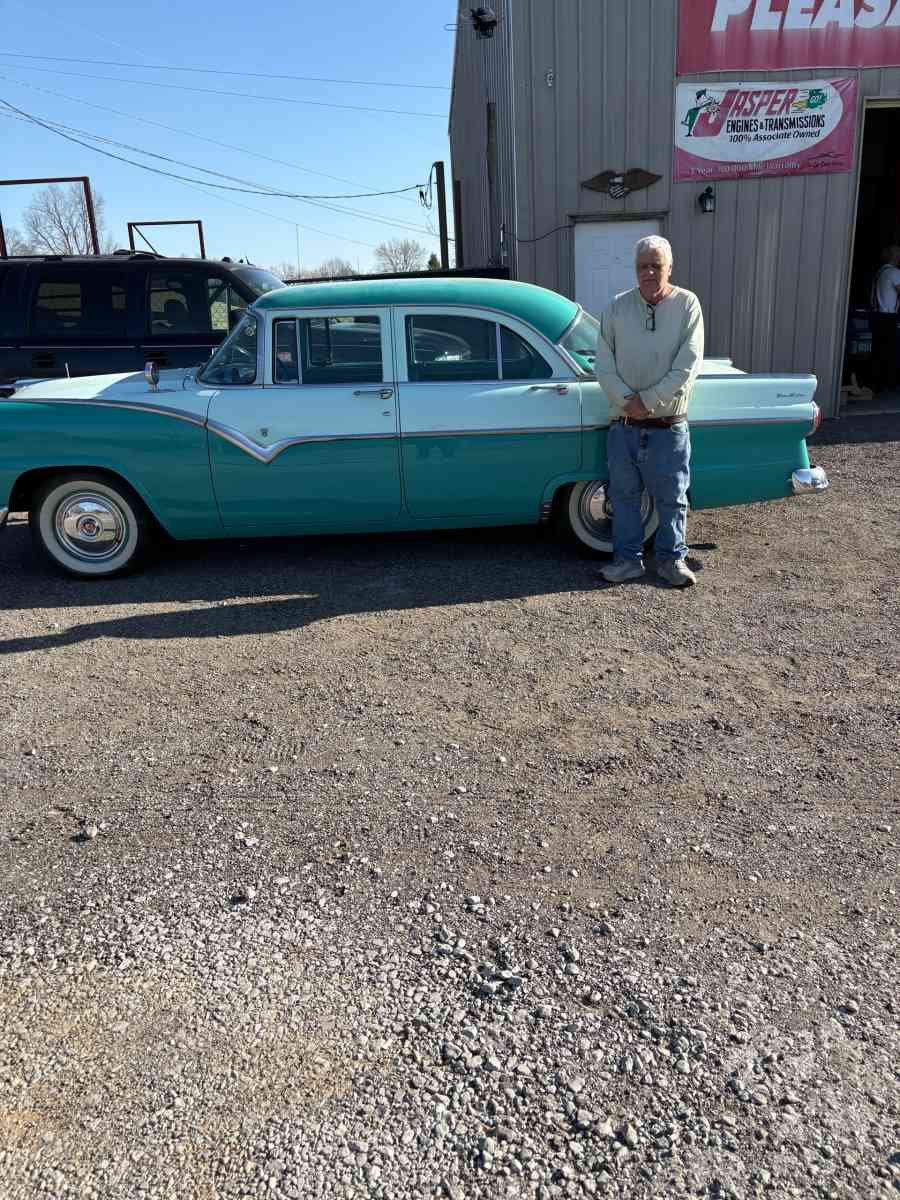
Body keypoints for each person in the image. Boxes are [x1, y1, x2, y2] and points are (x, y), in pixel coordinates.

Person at [594, 235, 704, 588]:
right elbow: (603, 363)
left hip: (668, 425)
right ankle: (628, 561)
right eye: (643, 265)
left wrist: (649, 400)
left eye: (656, 265)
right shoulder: (616, 307)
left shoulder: (688, 305)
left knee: (672, 499)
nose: (649, 272)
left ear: (669, 268)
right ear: (635, 269)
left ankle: (672, 561)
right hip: (624, 423)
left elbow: (688, 365)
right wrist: (629, 401)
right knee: (623, 498)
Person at [870, 245, 900, 395]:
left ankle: (876, 383)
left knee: (878, 351)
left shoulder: (880, 272)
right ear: (894, 256)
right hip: (888, 317)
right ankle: (888, 384)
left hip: (877, 316)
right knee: (890, 352)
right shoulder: (895, 273)